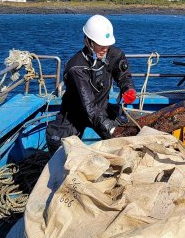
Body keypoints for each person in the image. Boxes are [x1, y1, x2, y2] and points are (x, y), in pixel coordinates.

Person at [46, 15, 136, 153]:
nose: (105, 48)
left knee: (129, 136)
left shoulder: (114, 54)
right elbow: (89, 107)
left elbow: (123, 74)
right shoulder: (76, 68)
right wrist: (110, 128)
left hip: (101, 108)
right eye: (100, 44)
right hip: (75, 113)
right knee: (60, 149)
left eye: (107, 44)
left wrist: (127, 88)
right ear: (88, 41)